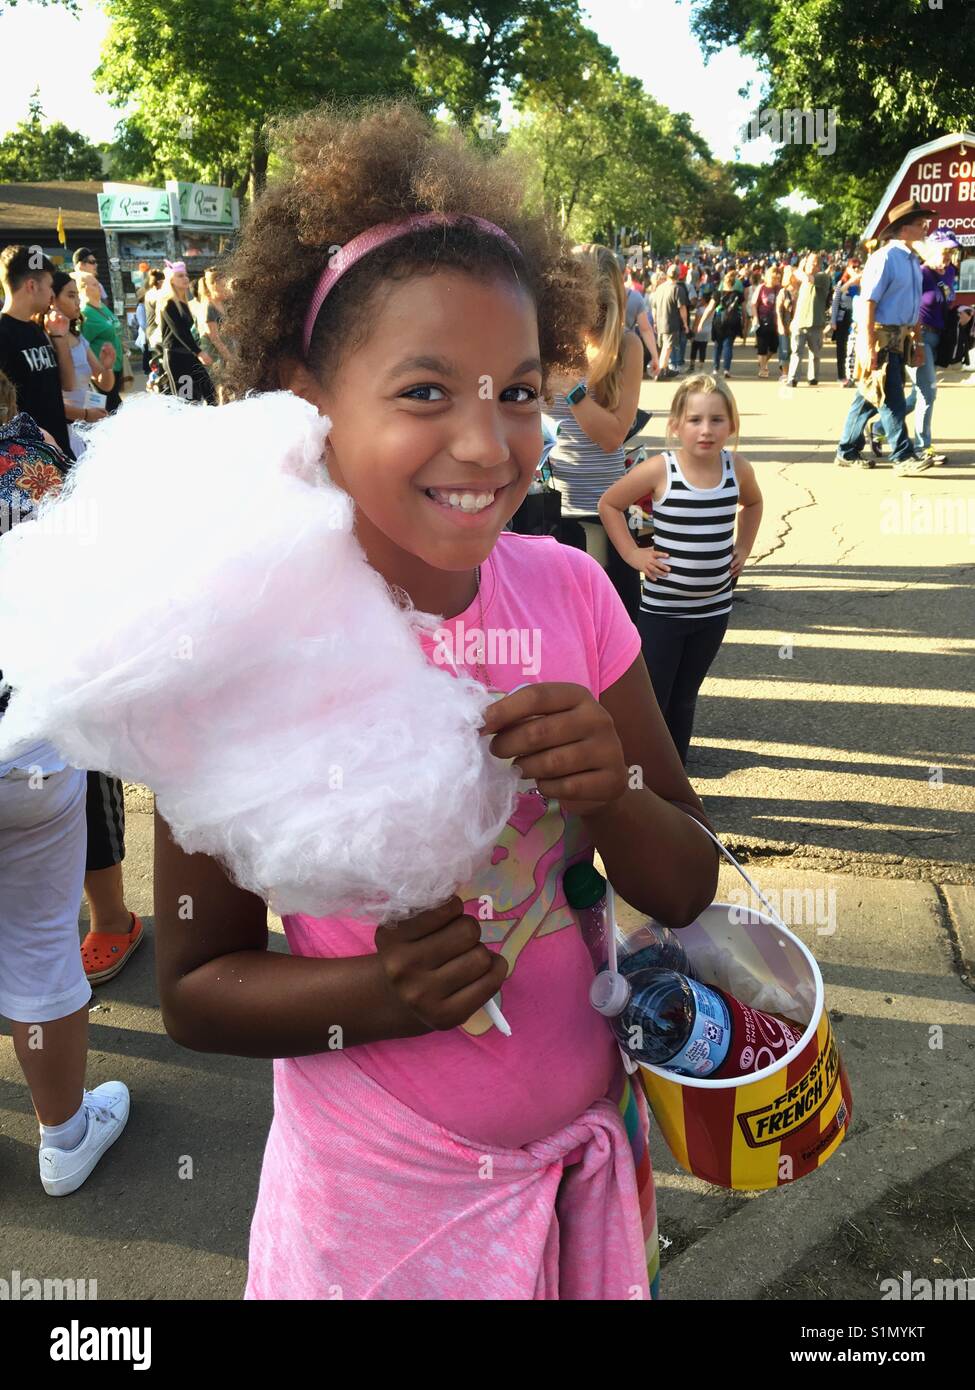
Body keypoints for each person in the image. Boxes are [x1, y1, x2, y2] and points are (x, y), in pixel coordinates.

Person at [153, 100, 720, 1302]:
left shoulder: (571, 593)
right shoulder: (234, 650)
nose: (488, 443)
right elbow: (199, 988)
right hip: (376, 1208)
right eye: (424, 393)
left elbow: (685, 880)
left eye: (518, 390)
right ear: (308, 399)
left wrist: (608, 790)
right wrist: (378, 993)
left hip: (587, 1172)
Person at [0, 379, 131, 1195]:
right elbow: (100, 567)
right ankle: (64, 1138)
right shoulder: (27, 461)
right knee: (40, 940)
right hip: (27, 744)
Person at [598, 374, 763, 766]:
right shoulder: (661, 470)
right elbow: (610, 505)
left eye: (717, 420)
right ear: (676, 425)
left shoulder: (736, 470)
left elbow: (753, 505)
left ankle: (675, 773)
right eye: (695, 420)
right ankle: (641, 772)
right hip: (662, 614)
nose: (706, 430)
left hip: (712, 613)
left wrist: (743, 547)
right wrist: (633, 555)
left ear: (732, 425)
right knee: (655, 696)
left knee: (687, 695)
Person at [835, 198, 934, 476]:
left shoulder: (912, 259)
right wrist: (867, 345)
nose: (925, 227)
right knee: (892, 397)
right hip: (880, 337)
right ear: (903, 229)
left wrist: (918, 341)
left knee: (868, 397)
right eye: (919, 223)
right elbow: (868, 302)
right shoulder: (885, 258)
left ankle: (846, 450)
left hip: (898, 339)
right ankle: (902, 456)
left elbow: (913, 306)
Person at [0, 245, 74, 458]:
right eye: (50, 286)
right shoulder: (3, 334)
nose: (52, 294)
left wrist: (59, 337)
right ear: (32, 285)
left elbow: (67, 385)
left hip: (58, 449)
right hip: (28, 461)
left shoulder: (36, 329)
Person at [49, 270, 114, 459]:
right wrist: (85, 414)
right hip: (69, 429)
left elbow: (104, 383)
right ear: (52, 299)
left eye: (77, 295)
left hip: (89, 422)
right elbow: (52, 399)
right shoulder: (47, 338)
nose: (78, 301)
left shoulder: (78, 336)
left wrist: (107, 366)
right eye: (71, 295)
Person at [912, 230, 959, 465]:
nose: (948, 255)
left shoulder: (950, 272)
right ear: (930, 250)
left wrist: (960, 313)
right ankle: (922, 448)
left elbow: (947, 302)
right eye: (944, 250)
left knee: (917, 395)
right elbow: (910, 309)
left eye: (951, 251)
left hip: (938, 338)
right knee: (928, 393)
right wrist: (917, 341)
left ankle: (880, 426)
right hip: (919, 338)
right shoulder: (919, 274)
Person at [157, 261, 215, 404]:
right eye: (180, 276)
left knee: (210, 392)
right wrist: (199, 352)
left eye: (186, 275)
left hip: (189, 354)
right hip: (176, 356)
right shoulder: (168, 303)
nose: (185, 278)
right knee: (187, 400)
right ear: (171, 280)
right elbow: (179, 331)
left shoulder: (183, 303)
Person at [77, 272, 124, 414]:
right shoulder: (85, 313)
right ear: (84, 288)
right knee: (109, 409)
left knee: (115, 406)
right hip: (100, 371)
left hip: (115, 366)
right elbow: (82, 345)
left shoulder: (103, 307)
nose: (98, 286)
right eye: (94, 284)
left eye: (98, 283)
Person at [785, 252, 832, 386]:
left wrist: (798, 268)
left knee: (815, 354)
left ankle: (813, 377)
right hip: (800, 322)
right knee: (796, 352)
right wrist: (793, 320)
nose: (813, 265)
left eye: (815, 263)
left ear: (819, 265)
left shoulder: (822, 277)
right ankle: (792, 378)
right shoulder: (803, 281)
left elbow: (806, 277)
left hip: (816, 323)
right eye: (811, 262)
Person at [650, 265, 687, 380]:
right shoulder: (677, 289)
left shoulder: (660, 288)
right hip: (671, 322)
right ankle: (660, 371)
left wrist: (655, 321)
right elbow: (682, 308)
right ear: (679, 275)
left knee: (665, 346)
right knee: (668, 347)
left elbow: (654, 307)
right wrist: (685, 323)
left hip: (660, 321)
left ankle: (664, 369)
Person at [624, 271, 660, 379]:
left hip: (596, 353)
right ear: (624, 274)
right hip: (626, 349)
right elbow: (645, 329)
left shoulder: (591, 295)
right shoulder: (634, 296)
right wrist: (654, 355)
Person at [829, 264, 859, 385]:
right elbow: (835, 302)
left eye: (858, 267)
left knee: (853, 348)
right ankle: (841, 375)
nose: (856, 270)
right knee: (841, 348)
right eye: (854, 267)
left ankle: (853, 375)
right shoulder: (841, 284)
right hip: (843, 317)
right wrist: (833, 320)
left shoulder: (861, 285)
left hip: (856, 319)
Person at [709, 271, 743, 378]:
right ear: (734, 283)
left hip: (719, 321)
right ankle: (726, 370)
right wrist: (744, 322)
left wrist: (701, 322)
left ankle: (715, 369)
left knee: (717, 345)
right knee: (728, 345)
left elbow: (710, 308)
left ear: (724, 282)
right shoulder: (738, 295)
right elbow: (743, 310)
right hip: (733, 321)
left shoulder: (717, 294)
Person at [754, 267, 781, 378]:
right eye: (774, 277)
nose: (776, 280)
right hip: (762, 319)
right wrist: (755, 318)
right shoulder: (761, 288)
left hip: (775, 321)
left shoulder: (779, 288)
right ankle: (763, 369)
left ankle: (762, 362)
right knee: (762, 346)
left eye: (778, 278)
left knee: (774, 346)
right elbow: (754, 304)